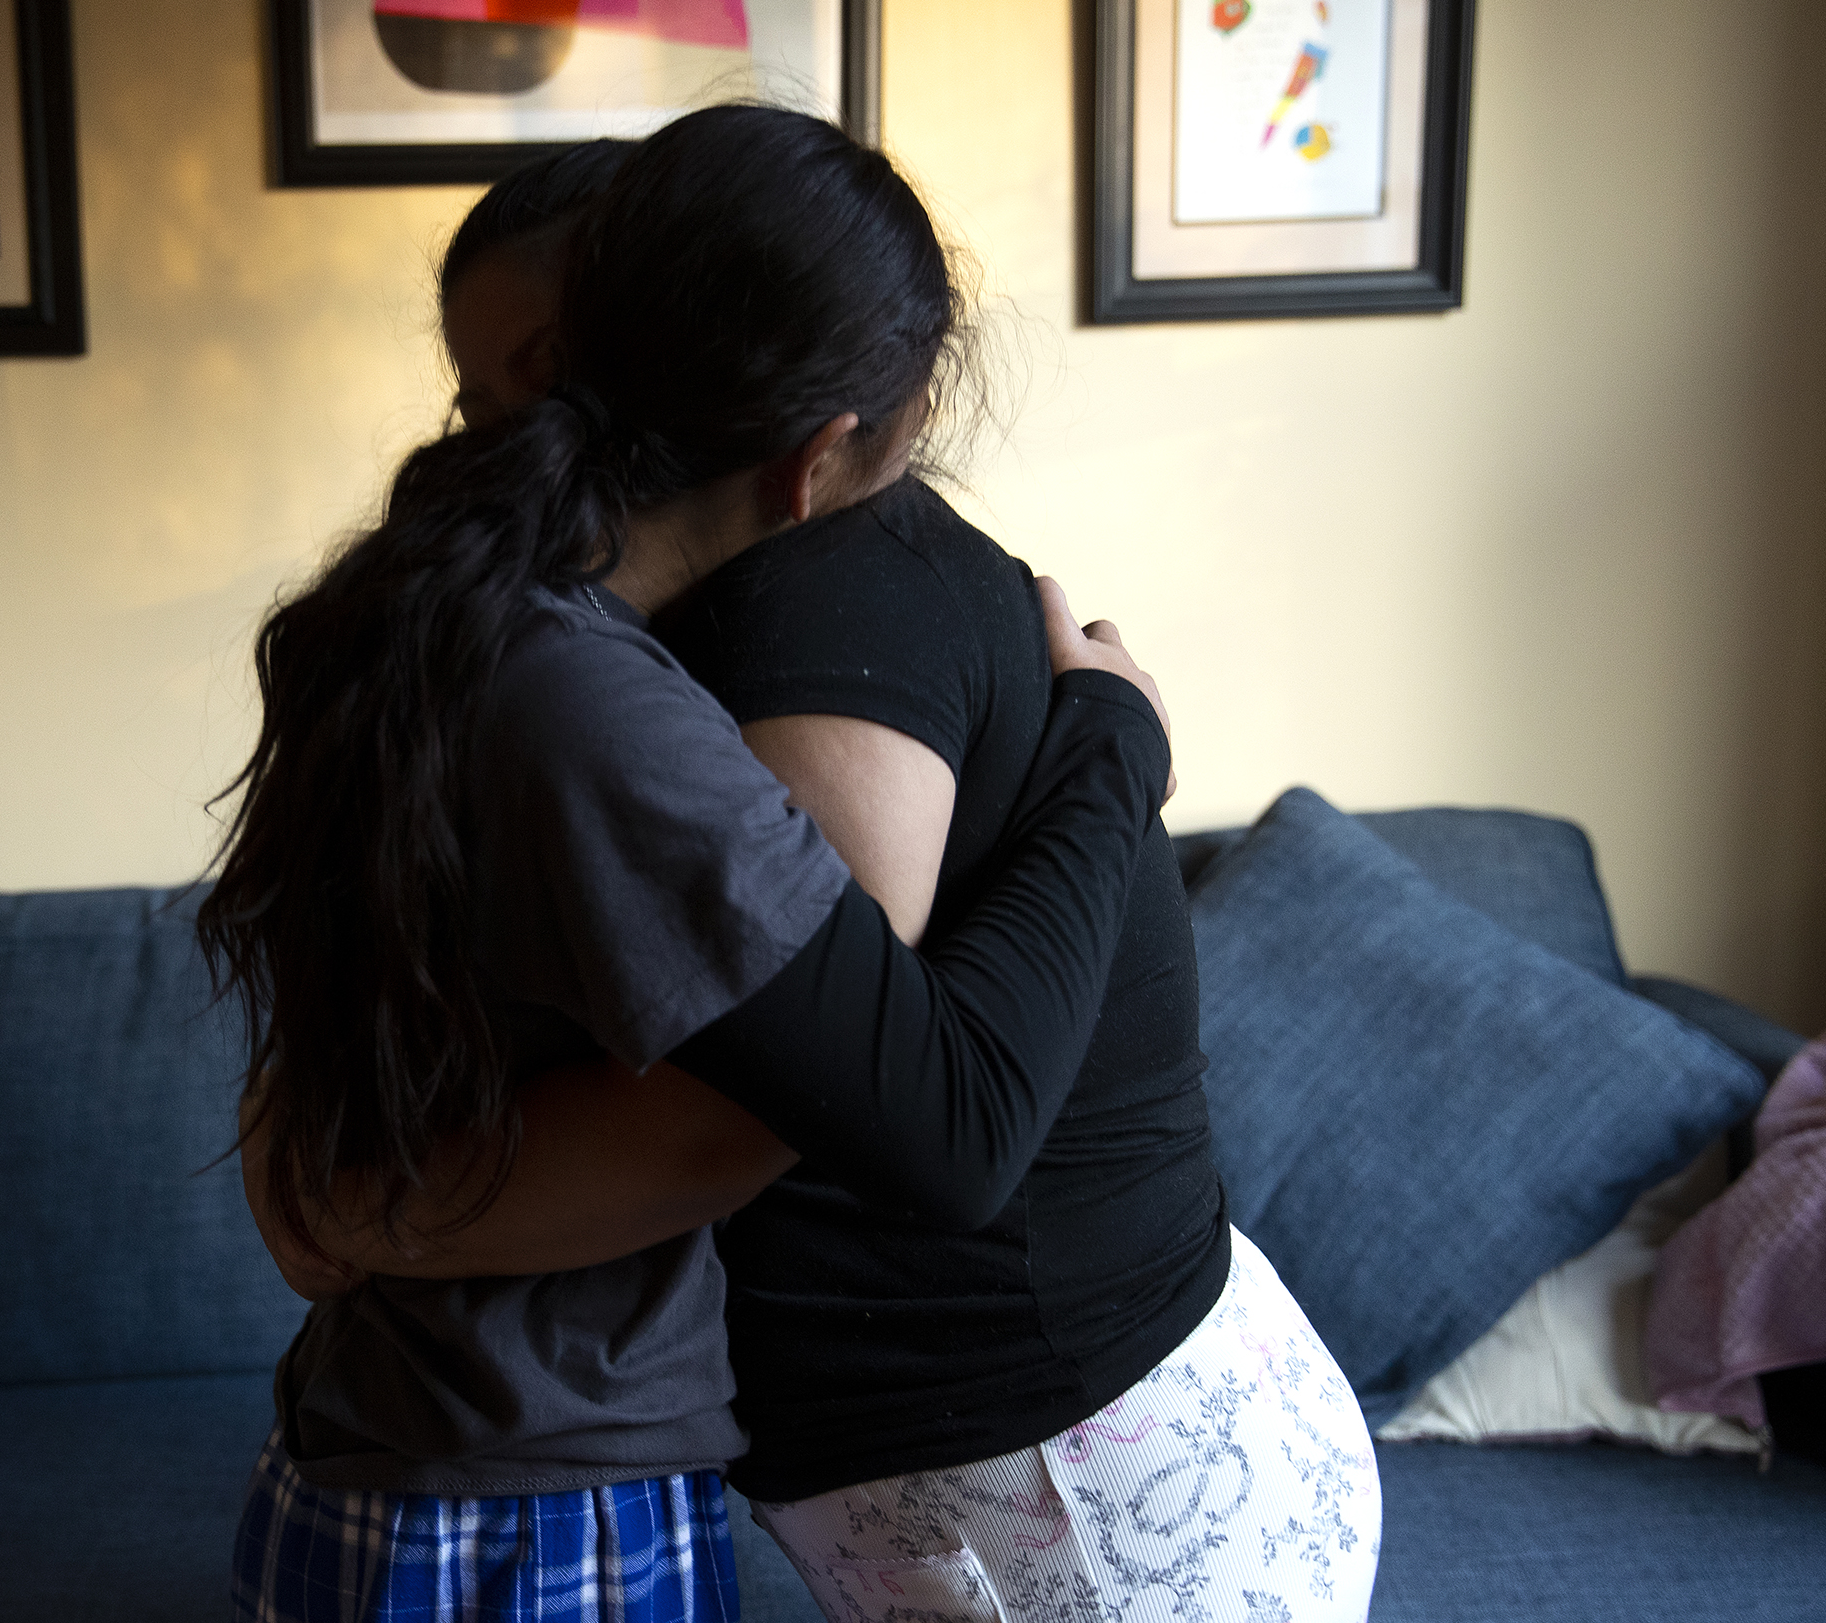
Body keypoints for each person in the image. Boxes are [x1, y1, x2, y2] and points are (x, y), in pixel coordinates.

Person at [273, 134, 1385, 1621]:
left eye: (506, 383)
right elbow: (910, 1104)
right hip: (979, 1469)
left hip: (1101, 1480)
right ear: (819, 449)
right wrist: (1117, 743)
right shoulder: (566, 660)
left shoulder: (642, 631)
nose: (484, 427)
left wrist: (346, 1205)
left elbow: (887, 1107)